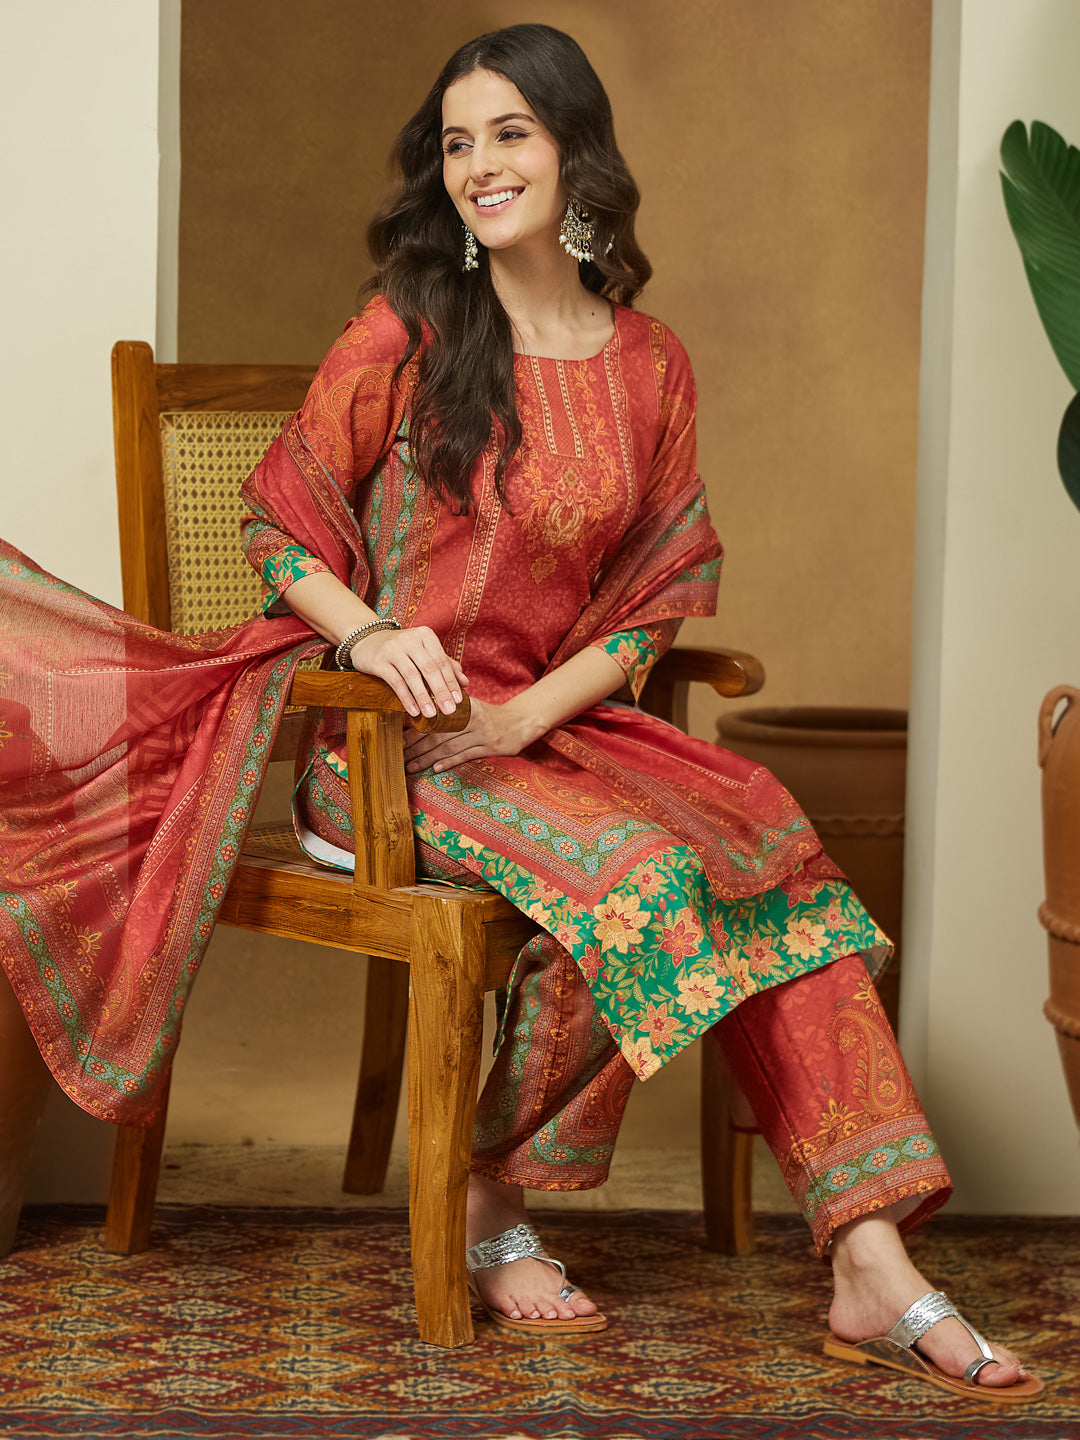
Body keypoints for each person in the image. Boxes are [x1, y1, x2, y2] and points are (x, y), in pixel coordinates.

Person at [0, 23, 1040, 1404]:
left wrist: (524, 716)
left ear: (574, 153)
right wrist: (372, 638)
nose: (479, 165)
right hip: (392, 755)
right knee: (646, 878)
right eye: (456, 142)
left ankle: (870, 1253)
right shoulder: (409, 329)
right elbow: (278, 528)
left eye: (510, 134)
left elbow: (654, 595)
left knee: (770, 850)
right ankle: (494, 1192)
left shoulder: (652, 363)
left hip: (551, 736)